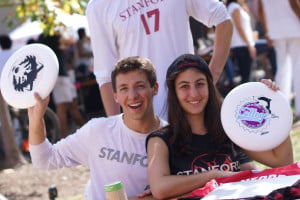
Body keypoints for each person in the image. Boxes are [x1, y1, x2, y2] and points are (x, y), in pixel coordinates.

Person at [146, 54, 293, 199]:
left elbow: (282, 162)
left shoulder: (231, 128)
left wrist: (276, 105)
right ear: (174, 93)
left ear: (209, 86)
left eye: (200, 84)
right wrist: (214, 175)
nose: (194, 93)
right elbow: (160, 189)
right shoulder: (161, 140)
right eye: (184, 86)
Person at [28, 56, 167, 199]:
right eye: (124, 88)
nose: (132, 95)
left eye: (140, 86)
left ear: (154, 88)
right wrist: (36, 119)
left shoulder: (172, 137)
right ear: (115, 96)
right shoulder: (98, 130)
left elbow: (182, 191)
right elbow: (44, 159)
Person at [85, 0, 233, 119]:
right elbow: (105, 74)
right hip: (143, 117)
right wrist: (117, 128)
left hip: (190, 108)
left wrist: (210, 76)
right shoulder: (98, 6)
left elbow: (222, 18)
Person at [38, 31, 85, 138]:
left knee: (71, 105)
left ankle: (78, 131)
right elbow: (71, 41)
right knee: (63, 107)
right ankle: (64, 136)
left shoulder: (43, 36)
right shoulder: (51, 33)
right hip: (60, 75)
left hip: (57, 75)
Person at [258, 0, 300, 121]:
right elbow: (294, 5)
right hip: (294, 27)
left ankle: (282, 106)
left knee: (282, 69)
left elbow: (261, 12)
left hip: (276, 31)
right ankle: (298, 109)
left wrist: (267, 32)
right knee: (297, 67)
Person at [226, 0, 256, 84]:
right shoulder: (234, 7)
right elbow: (239, 27)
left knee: (245, 76)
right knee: (245, 77)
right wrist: (249, 45)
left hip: (242, 45)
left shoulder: (236, 6)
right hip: (242, 45)